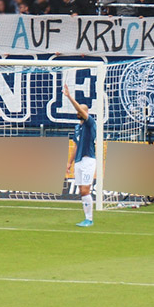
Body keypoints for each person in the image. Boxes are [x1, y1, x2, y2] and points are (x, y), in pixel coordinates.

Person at [63, 81, 97, 227]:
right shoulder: (77, 127)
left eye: (80, 111)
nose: (78, 113)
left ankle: (89, 219)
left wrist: (69, 97)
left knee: (85, 190)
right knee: (81, 191)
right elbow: (76, 145)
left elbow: (79, 108)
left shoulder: (91, 123)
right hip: (78, 161)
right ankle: (86, 218)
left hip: (88, 160)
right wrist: (69, 162)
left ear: (85, 112)